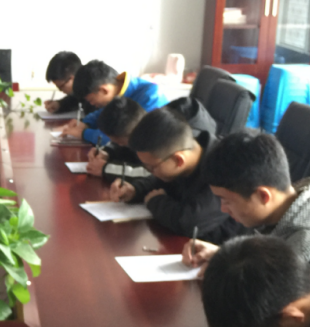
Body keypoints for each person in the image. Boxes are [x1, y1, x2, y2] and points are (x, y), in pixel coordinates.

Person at [183, 130, 310, 265]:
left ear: (263, 196)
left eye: (227, 200)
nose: (223, 208)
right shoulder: (275, 218)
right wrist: (221, 255)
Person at [109, 97, 242, 244]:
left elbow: (190, 223)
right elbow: (161, 182)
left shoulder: (224, 169)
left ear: (178, 160)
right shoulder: (188, 154)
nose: (150, 171)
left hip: (223, 249)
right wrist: (135, 190)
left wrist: (155, 202)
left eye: (151, 167)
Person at [59, 59, 167, 145]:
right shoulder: (116, 94)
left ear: (104, 90)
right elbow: (102, 113)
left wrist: (84, 133)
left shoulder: (150, 97)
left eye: (91, 100)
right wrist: (86, 123)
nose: (91, 104)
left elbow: (123, 137)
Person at [85, 96, 148, 182]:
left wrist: (106, 168)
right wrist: (107, 152)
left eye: (120, 142)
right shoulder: (132, 130)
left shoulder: (157, 139)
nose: (119, 144)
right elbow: (118, 146)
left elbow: (150, 173)